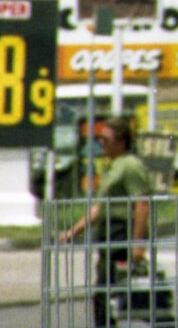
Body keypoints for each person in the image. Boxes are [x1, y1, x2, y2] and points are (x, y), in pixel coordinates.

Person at [57, 115, 153, 269]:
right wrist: (72, 232)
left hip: (122, 232)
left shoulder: (130, 165)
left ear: (121, 142)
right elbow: (99, 208)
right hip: (108, 233)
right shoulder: (113, 166)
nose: (101, 142)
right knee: (109, 281)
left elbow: (142, 205)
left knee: (112, 284)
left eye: (106, 139)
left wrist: (137, 245)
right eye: (100, 138)